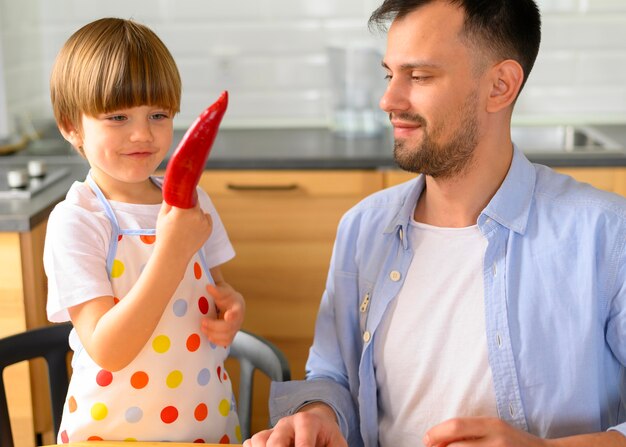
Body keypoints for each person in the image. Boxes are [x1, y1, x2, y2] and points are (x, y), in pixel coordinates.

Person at [245, 1, 626, 446]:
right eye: (390, 74)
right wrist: (319, 413)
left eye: (420, 76)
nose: (388, 100)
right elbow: (332, 374)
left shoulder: (605, 235)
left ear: (500, 86)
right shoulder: (363, 230)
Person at [43, 18, 244, 444]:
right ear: (70, 126)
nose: (142, 133)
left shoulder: (195, 202)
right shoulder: (77, 221)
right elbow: (108, 349)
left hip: (204, 424)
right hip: (110, 433)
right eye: (117, 116)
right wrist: (171, 251)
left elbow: (216, 294)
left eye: (158, 114)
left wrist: (231, 312)